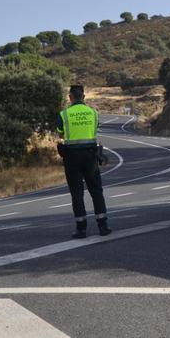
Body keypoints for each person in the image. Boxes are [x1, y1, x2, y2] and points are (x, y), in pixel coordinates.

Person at [57, 84, 111, 238]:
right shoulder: (93, 113)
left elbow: (60, 135)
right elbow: (95, 130)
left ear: (70, 97)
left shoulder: (64, 114)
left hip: (72, 158)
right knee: (96, 191)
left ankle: (81, 229)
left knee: (77, 194)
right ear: (84, 97)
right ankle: (103, 226)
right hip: (90, 156)